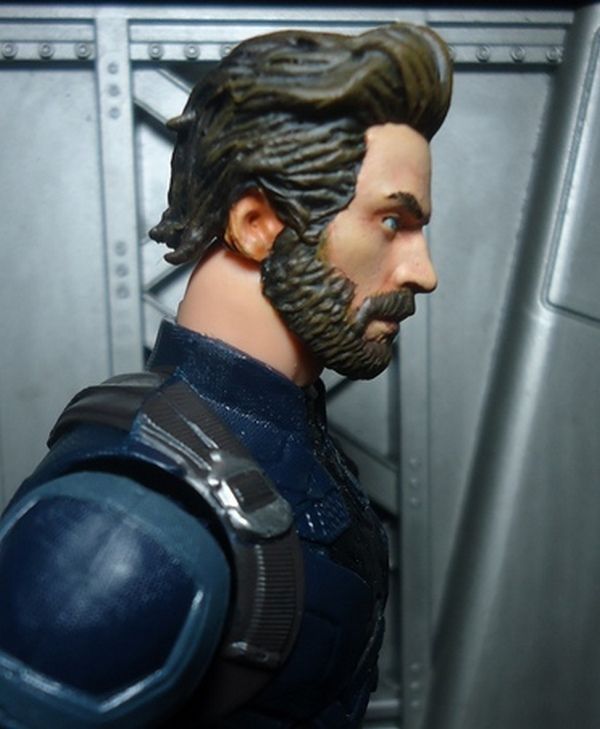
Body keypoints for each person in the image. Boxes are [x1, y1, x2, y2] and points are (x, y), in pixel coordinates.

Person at [0, 22, 452, 729]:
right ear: (256, 222)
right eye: (392, 223)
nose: (423, 272)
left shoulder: (286, 443)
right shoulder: (121, 532)